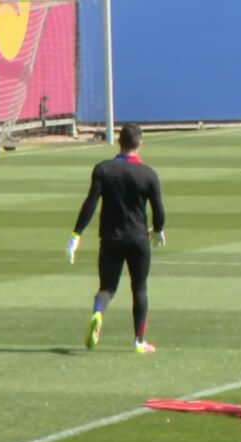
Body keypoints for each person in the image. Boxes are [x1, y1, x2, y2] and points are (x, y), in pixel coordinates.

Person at [68, 124, 165, 354]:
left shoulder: (103, 169)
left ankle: (98, 312)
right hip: (138, 239)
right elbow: (159, 211)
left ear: (119, 142)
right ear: (139, 143)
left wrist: (76, 234)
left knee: (107, 287)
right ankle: (139, 341)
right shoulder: (148, 174)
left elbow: (90, 204)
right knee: (139, 287)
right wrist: (159, 229)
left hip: (110, 239)